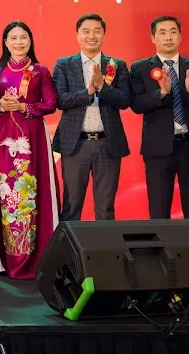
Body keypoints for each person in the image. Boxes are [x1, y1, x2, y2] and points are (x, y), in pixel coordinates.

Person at [0, 21, 59, 279]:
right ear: (5, 42)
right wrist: (1, 105)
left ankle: (38, 257)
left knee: (33, 190)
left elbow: (51, 103)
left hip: (33, 137)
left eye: (23, 37)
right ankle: (8, 257)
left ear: (30, 41)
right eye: (13, 38)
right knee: (8, 190)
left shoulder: (40, 70)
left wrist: (26, 107)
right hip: (5, 137)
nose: (18, 42)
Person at [131, 16, 189, 233]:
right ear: (153, 38)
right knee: (159, 208)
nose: (168, 37)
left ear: (180, 36)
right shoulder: (140, 68)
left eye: (173, 32)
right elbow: (136, 104)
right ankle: (160, 250)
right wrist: (161, 93)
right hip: (158, 149)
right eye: (162, 33)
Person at [52, 14, 132, 221]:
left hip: (108, 142)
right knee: (71, 206)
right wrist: (88, 92)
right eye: (86, 31)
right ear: (77, 35)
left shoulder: (117, 64)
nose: (91, 36)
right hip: (75, 143)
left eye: (97, 31)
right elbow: (59, 100)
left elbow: (125, 100)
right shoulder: (64, 65)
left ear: (104, 34)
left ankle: (105, 244)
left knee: (105, 207)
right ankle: (70, 244)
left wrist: (103, 87)